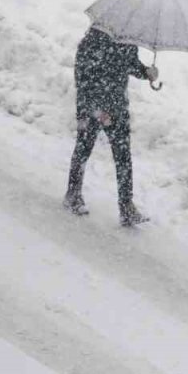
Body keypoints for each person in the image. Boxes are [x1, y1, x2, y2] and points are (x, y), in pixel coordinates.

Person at [65, 25, 159, 226]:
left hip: (117, 106)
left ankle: (126, 208)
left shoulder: (129, 38)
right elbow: (81, 75)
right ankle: (73, 194)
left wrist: (146, 72)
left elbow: (129, 64)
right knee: (83, 148)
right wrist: (95, 107)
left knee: (123, 157)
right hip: (92, 107)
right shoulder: (94, 38)